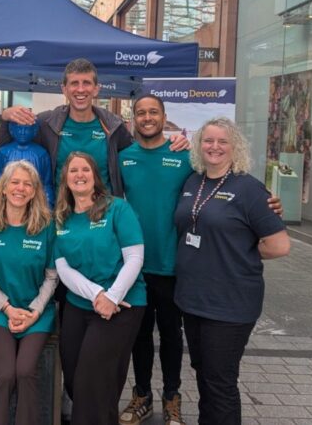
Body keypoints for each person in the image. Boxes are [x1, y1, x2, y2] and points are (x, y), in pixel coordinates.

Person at [174, 117, 290, 425]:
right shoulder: (193, 182)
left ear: (234, 147)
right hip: (193, 299)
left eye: (222, 142)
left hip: (229, 303)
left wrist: (241, 255)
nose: (214, 147)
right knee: (204, 373)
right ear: (199, 146)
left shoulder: (249, 189)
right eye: (208, 141)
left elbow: (279, 246)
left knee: (220, 382)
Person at [0, 58, 187, 197]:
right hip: (60, 218)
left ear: (96, 89)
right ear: (64, 89)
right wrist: (6, 116)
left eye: (87, 83)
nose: (81, 90)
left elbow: (141, 152)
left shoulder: (113, 126)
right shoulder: (47, 123)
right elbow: (12, 147)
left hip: (103, 221)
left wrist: (171, 143)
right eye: (74, 83)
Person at [117, 95, 194, 425]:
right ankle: (142, 395)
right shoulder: (124, 158)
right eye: (141, 113)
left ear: (164, 117)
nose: (147, 118)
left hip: (172, 264)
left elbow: (222, 178)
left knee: (172, 335)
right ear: (133, 119)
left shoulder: (184, 156)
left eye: (153, 112)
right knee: (139, 335)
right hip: (134, 266)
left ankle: (172, 397)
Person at [54, 151, 146, 425]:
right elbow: (63, 269)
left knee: (90, 381)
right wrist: (98, 295)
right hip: (81, 304)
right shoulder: (61, 218)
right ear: (65, 179)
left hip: (122, 306)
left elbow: (135, 257)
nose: (80, 175)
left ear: (96, 177)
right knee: (73, 376)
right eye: (73, 171)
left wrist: (113, 296)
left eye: (85, 170)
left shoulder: (117, 208)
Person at [0, 160, 57, 425]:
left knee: (24, 371)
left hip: (38, 311)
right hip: (1, 310)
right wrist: (7, 308)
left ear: (34, 191)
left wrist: (34, 311)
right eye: (15, 182)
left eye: (27, 184)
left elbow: (52, 277)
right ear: (5, 187)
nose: (20, 188)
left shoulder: (46, 225)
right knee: (6, 373)